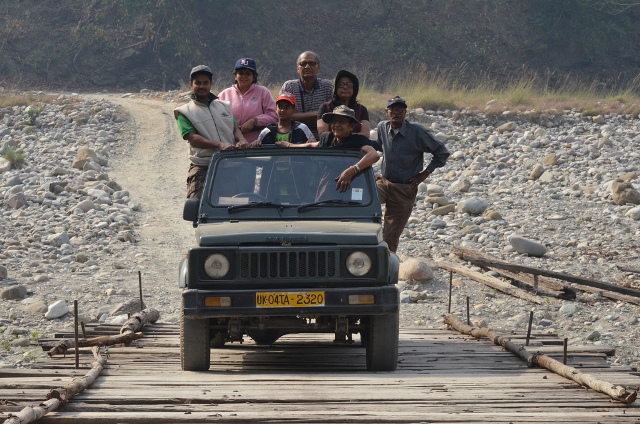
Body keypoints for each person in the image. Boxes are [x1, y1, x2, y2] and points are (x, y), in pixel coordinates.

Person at [375, 96, 450, 253]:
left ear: (405, 113)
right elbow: (379, 147)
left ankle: (386, 269)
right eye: (392, 110)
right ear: (386, 112)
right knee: (362, 202)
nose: (396, 113)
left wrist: (425, 173)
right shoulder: (382, 127)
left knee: (390, 235)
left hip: (404, 188)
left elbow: (442, 152)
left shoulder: (417, 132)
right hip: (384, 182)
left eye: (400, 110)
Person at [174, 65, 249, 199]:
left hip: (229, 165)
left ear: (211, 84)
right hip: (203, 166)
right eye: (198, 83)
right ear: (191, 84)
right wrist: (219, 145)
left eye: (205, 83)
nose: (202, 86)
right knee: (196, 205)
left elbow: (234, 128)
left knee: (234, 206)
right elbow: (192, 138)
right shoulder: (184, 112)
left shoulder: (224, 106)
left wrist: (242, 139)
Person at [280, 105, 379, 197]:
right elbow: (311, 145)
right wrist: (289, 145)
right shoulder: (327, 139)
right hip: (327, 185)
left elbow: (374, 155)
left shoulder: (357, 140)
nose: (336, 125)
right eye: (334, 122)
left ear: (351, 127)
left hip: (352, 185)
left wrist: (352, 170)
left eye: (342, 122)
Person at [217, 58, 277, 143]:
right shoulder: (224, 94)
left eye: (248, 74)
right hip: (230, 145)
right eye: (240, 73)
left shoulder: (263, 92)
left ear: (254, 76)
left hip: (257, 144)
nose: (244, 76)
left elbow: (274, 116)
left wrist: (255, 121)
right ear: (235, 75)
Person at [279, 51, 333, 139]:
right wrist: (319, 114)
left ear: (318, 67)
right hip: (294, 137)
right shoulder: (289, 87)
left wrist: (298, 117)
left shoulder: (327, 86)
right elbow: (283, 116)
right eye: (303, 63)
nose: (307, 66)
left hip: (322, 138)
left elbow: (332, 115)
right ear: (297, 68)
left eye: (312, 63)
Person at [316, 70, 371, 138]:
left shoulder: (361, 109)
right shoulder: (325, 107)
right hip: (331, 147)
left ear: (355, 89)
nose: (345, 87)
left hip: (356, 146)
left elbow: (365, 134)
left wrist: (345, 138)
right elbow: (322, 134)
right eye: (341, 85)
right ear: (336, 88)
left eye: (349, 85)